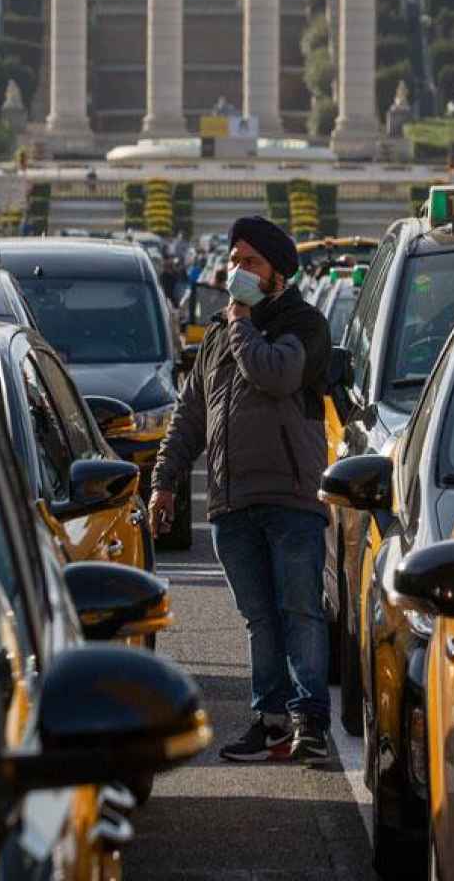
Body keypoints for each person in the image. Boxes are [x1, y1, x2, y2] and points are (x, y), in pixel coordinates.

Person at [150, 215, 333, 765]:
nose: (237, 271)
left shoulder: (304, 325)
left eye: (250, 262)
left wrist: (239, 323)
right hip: (233, 501)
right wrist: (164, 482)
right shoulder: (217, 337)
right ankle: (271, 720)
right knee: (259, 618)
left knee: (300, 610)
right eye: (233, 261)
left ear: (278, 273)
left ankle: (310, 721)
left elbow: (273, 374)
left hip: (292, 496)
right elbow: (190, 416)